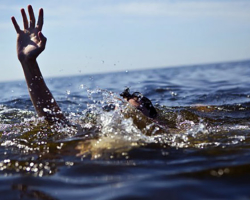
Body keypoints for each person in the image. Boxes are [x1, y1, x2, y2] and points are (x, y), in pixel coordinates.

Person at [11, 5, 157, 125]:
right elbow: (55, 121)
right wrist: (28, 63)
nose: (125, 110)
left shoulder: (158, 133)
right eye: (123, 107)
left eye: (135, 108)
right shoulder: (94, 130)